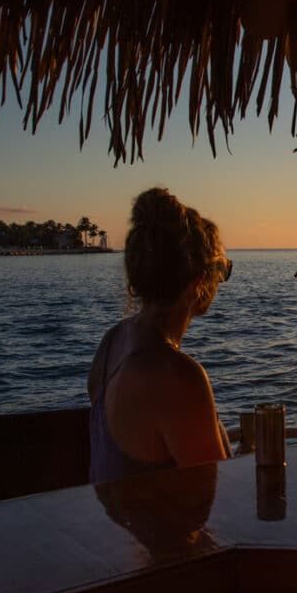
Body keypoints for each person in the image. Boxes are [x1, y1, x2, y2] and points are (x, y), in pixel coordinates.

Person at [87, 187, 231, 484]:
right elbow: (219, 504)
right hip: (162, 530)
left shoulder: (111, 342)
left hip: (110, 528)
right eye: (221, 271)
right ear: (199, 282)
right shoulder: (176, 377)